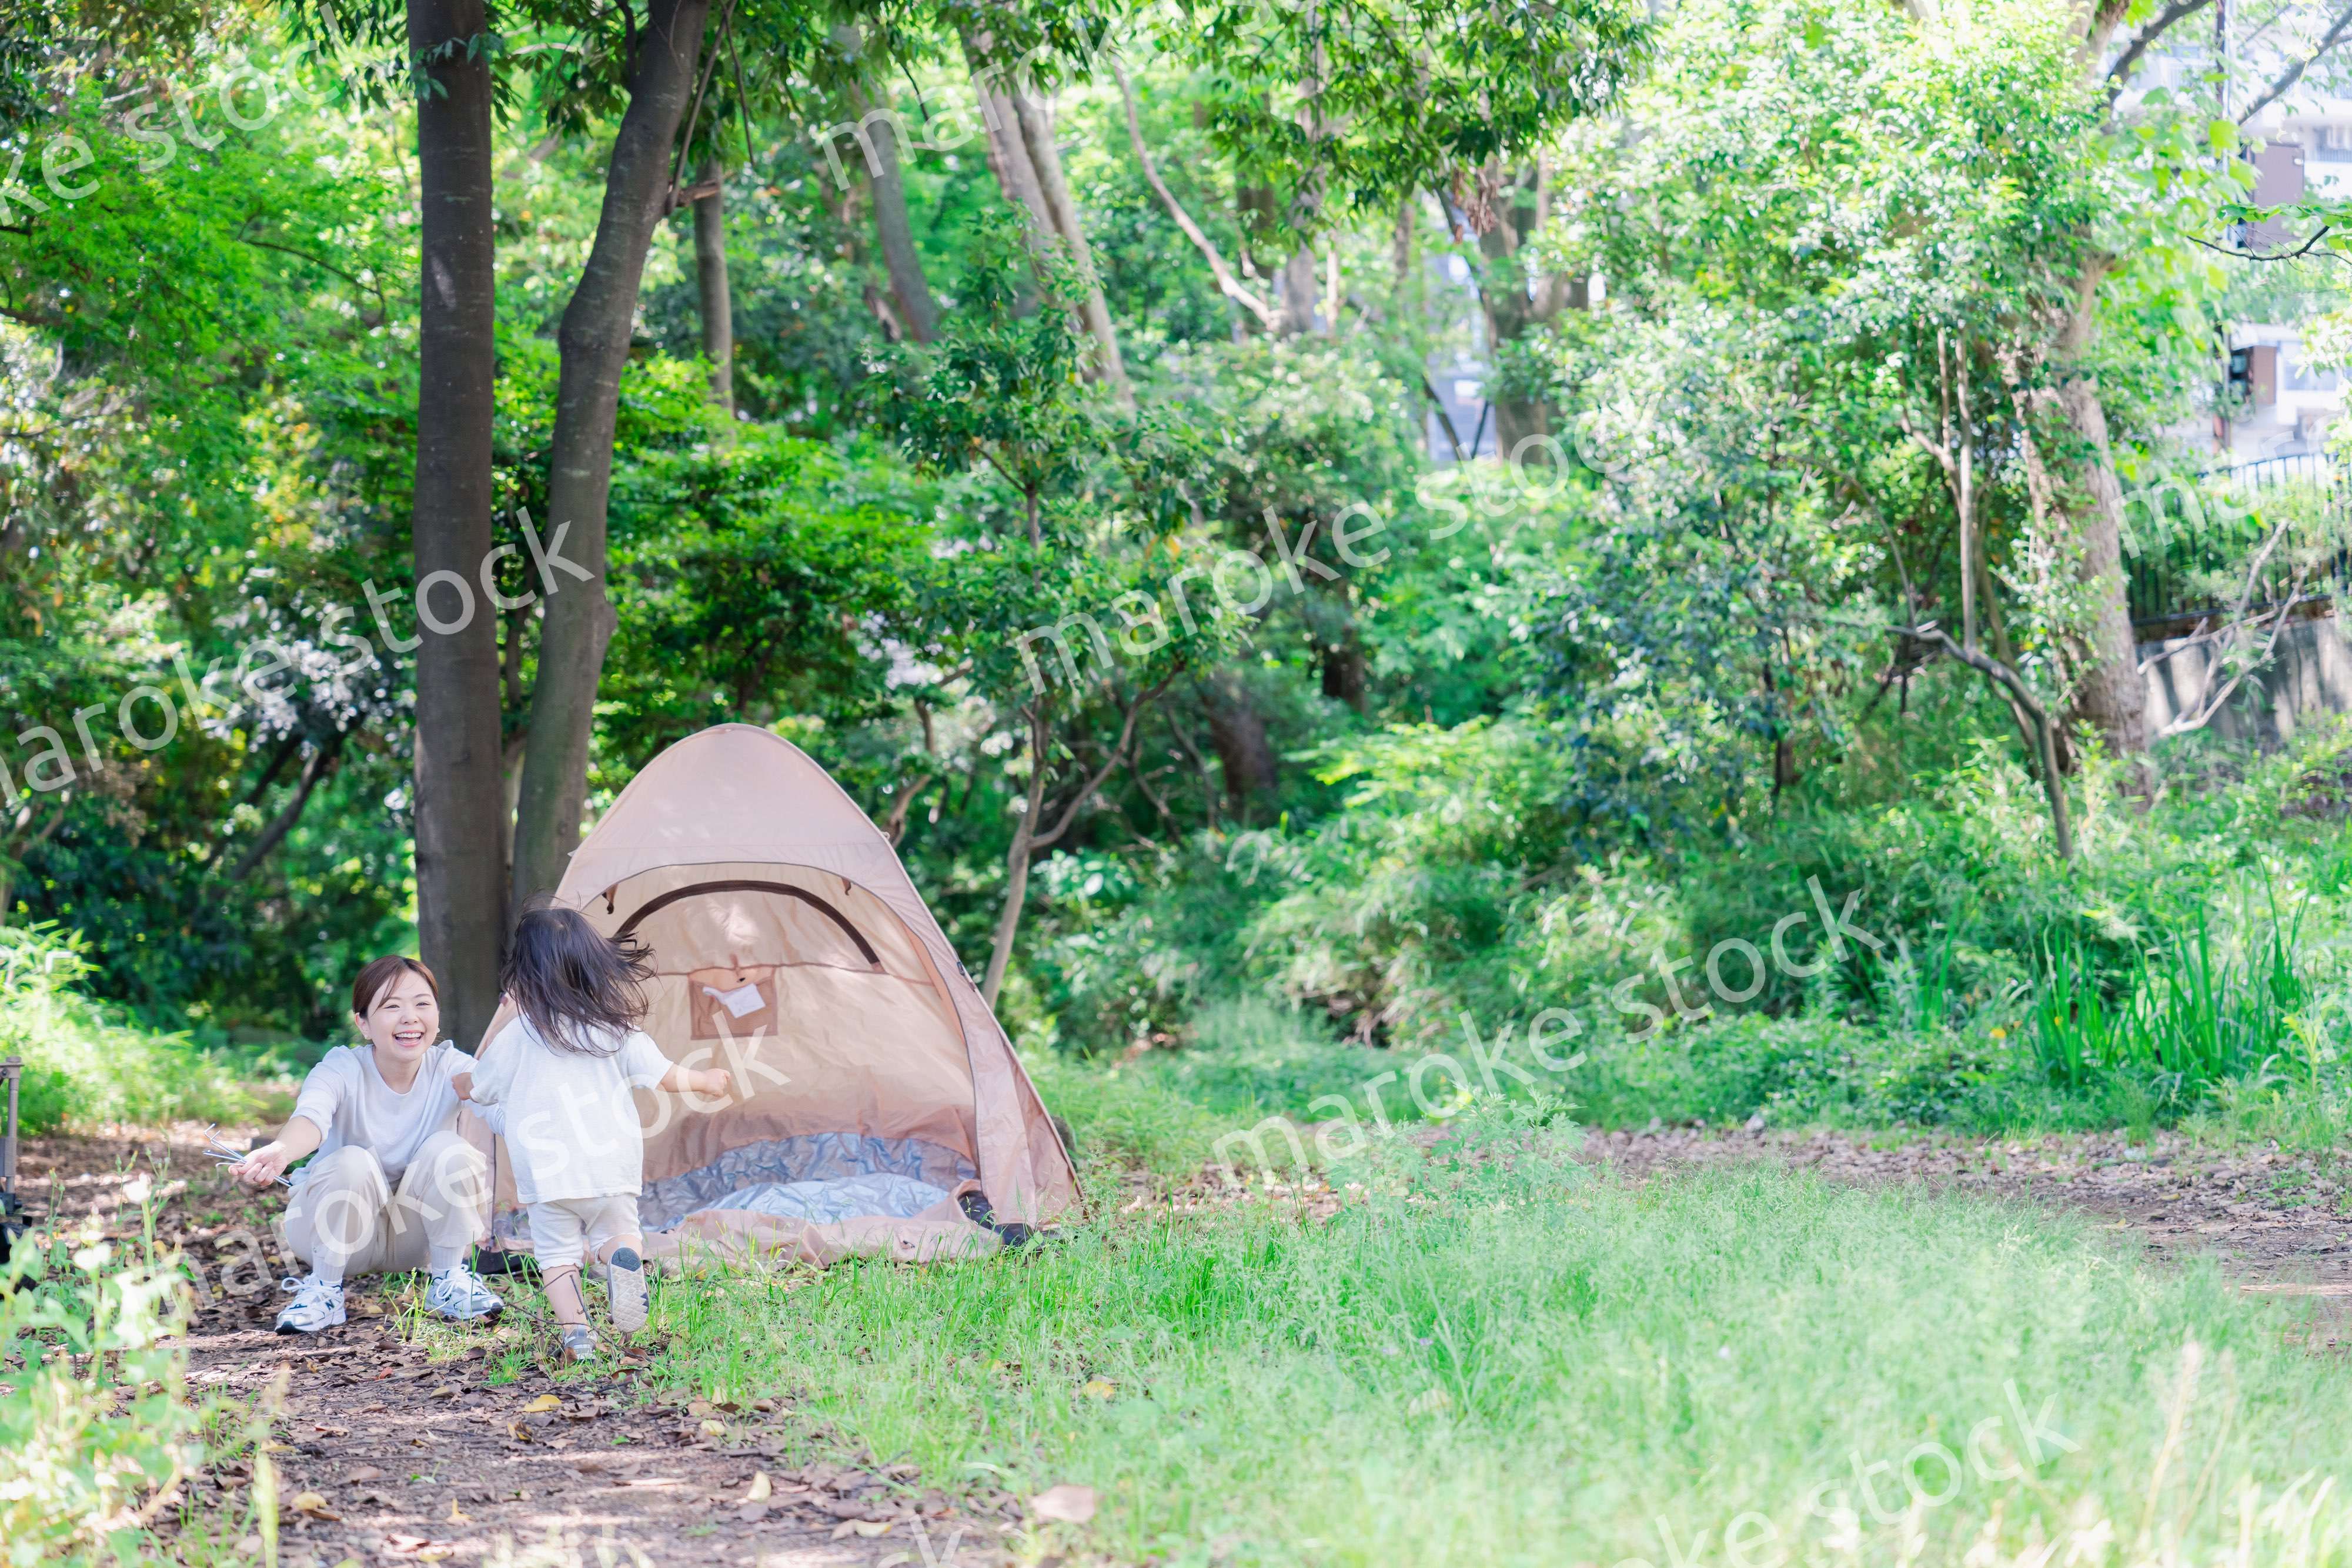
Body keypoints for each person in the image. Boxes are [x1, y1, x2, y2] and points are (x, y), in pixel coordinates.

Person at [457, 907, 731, 1362]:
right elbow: (665, 1075)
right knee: (619, 1231)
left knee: (558, 1255)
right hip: (611, 1165)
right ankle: (620, 1258)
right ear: (593, 967)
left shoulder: (518, 1036)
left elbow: (480, 1086)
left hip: (549, 1178)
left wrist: (462, 1084)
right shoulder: (614, 1029)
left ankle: (577, 1335)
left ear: (523, 976)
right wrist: (707, 1081)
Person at [233, 956, 505, 1334]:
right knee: (353, 1161)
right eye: (392, 1006)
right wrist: (281, 1151)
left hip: (417, 1236)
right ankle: (324, 1292)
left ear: (437, 1016)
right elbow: (311, 1118)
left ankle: (448, 1282)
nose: (410, 1017)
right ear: (362, 1023)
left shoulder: (452, 1067)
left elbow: (493, 1100)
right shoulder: (341, 1069)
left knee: (452, 1150)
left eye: (422, 1004)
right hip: (331, 1232)